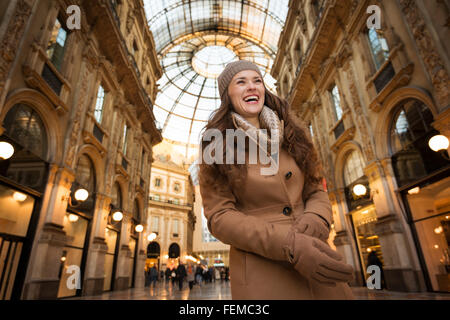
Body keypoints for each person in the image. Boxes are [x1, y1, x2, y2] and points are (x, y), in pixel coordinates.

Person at [198, 60, 355, 300]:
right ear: (227, 95)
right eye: (241, 82)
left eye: (257, 81)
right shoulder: (216, 144)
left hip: (315, 256)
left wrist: (315, 219)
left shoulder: (294, 134)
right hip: (263, 272)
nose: (252, 87)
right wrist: (289, 243)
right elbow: (220, 217)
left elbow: (316, 190)